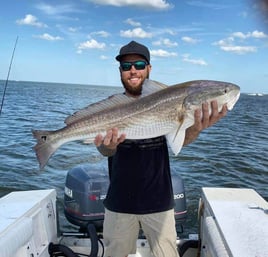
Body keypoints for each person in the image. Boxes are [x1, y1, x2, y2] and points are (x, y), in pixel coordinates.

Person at [94, 41, 227, 257]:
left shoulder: (168, 99)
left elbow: (179, 142)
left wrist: (196, 127)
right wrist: (107, 147)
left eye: (138, 64)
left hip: (159, 203)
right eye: (127, 67)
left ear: (149, 68)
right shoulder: (112, 109)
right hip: (118, 202)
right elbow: (105, 151)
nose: (133, 70)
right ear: (120, 72)